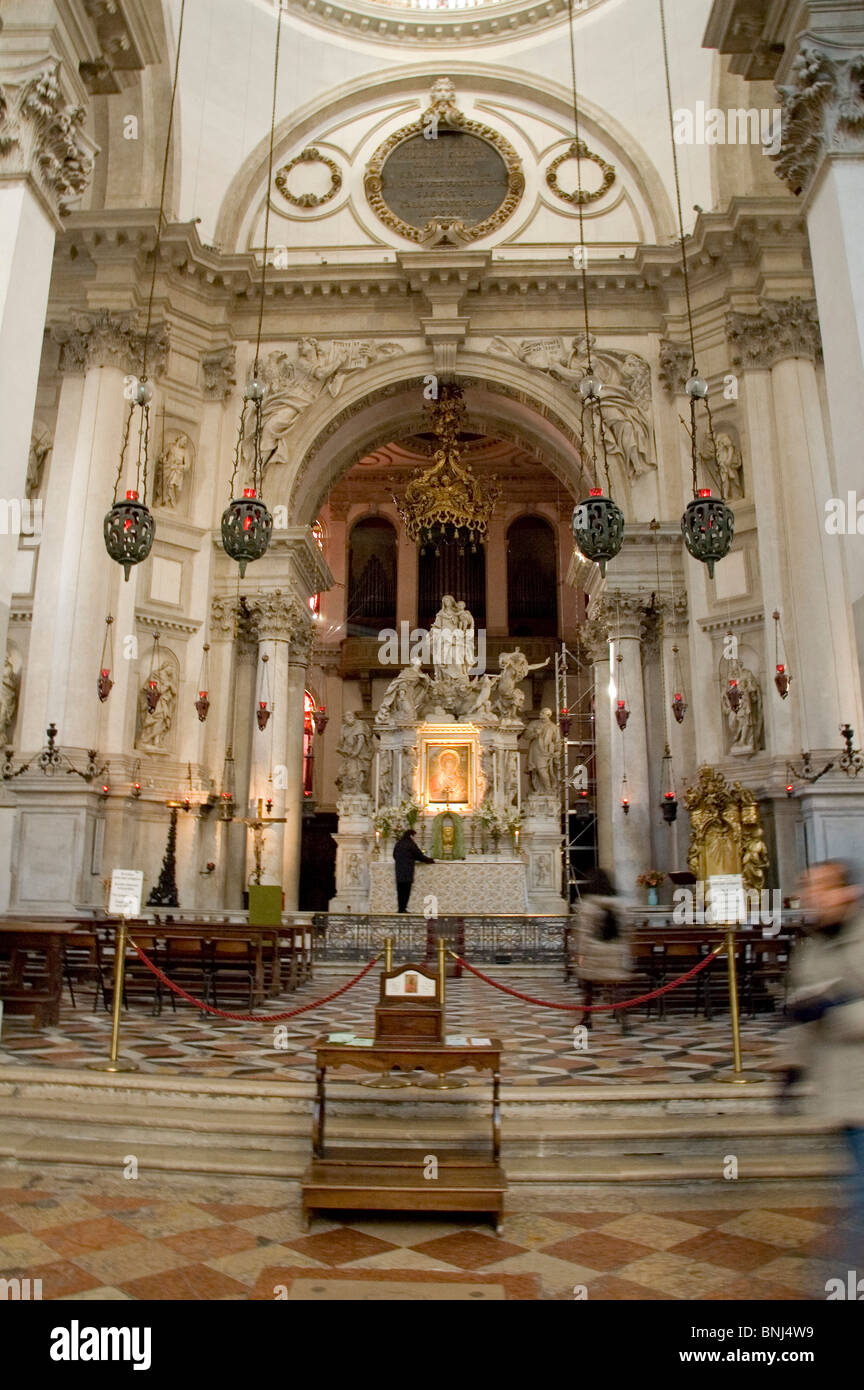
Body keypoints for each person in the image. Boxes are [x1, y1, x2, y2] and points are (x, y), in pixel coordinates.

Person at [784, 859, 864, 1260]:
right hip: (845, 1094)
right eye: (807, 887)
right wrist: (791, 1067)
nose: (810, 896)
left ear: (847, 892)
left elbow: (823, 1007)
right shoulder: (814, 944)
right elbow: (804, 1009)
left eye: (820, 887)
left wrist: (835, 1008)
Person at [572, 868, 633, 1033]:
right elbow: (626, 930)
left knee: (589, 989)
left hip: (595, 953)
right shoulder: (619, 905)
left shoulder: (588, 905)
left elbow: (583, 932)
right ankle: (625, 1021)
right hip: (615, 951)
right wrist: (625, 951)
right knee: (617, 988)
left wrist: (580, 953)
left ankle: (587, 1018)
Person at [393, 828, 434, 914]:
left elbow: (394, 855)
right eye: (414, 836)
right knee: (406, 890)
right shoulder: (411, 844)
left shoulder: (398, 843)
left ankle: (400, 909)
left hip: (399, 870)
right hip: (407, 870)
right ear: (411, 835)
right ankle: (403, 909)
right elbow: (419, 856)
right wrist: (431, 860)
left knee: (400, 890)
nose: (415, 838)